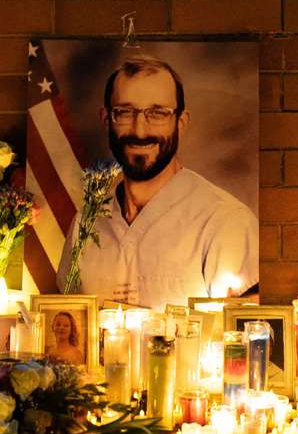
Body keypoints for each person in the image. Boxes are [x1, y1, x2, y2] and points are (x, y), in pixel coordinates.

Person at [55, 56, 259, 310]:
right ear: (106, 120)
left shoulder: (225, 223)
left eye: (158, 113)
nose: (140, 130)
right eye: (125, 112)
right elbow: (65, 319)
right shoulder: (85, 224)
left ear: (180, 123)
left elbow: (249, 329)